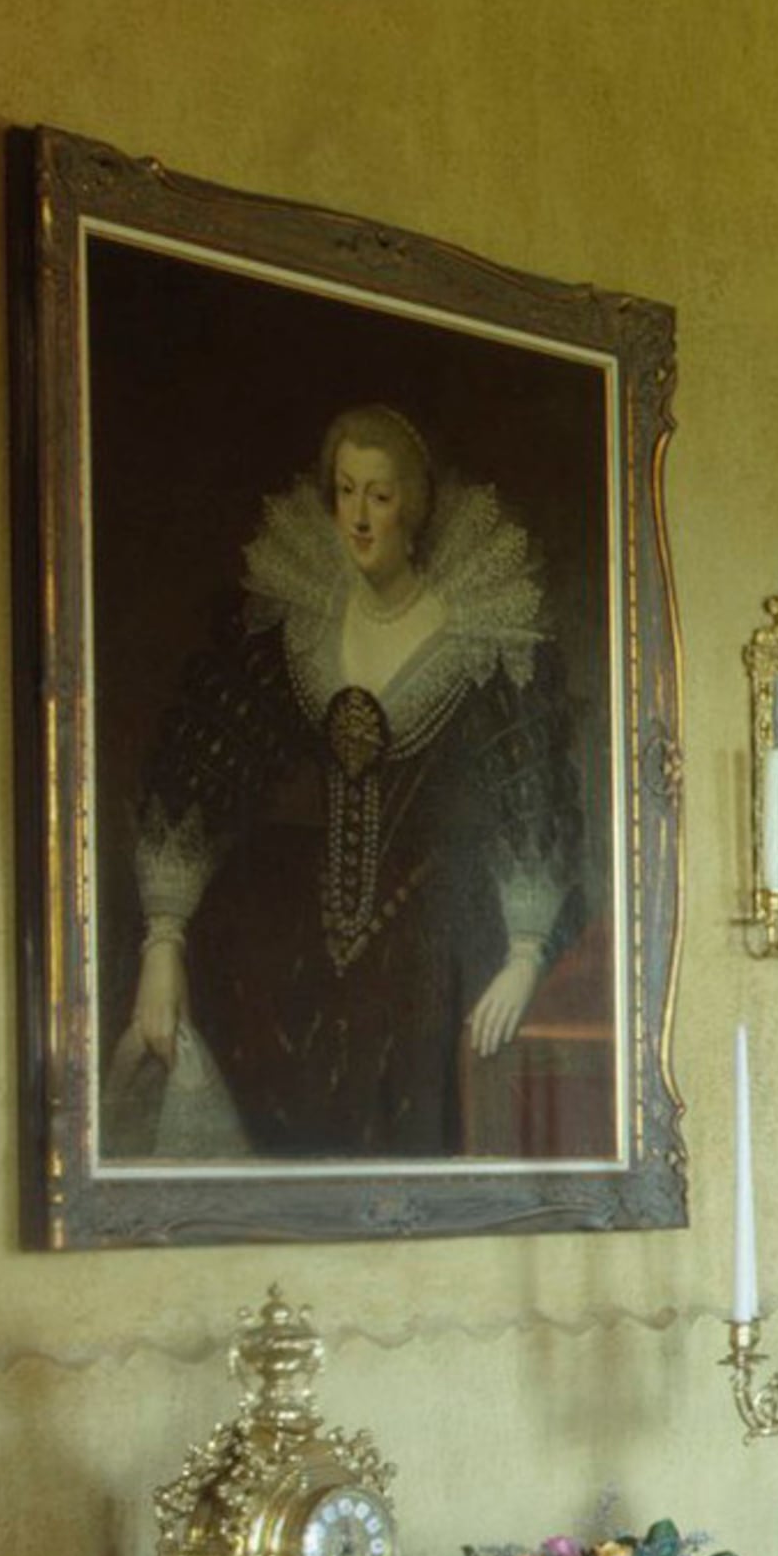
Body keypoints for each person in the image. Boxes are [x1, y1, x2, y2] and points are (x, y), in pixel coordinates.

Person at [113, 403, 575, 1161]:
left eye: (380, 496)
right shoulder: (300, 618)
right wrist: (163, 938)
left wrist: (525, 951)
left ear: (414, 508)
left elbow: (533, 791)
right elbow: (198, 767)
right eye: (346, 491)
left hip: (425, 934)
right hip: (287, 934)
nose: (358, 518)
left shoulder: (475, 628)